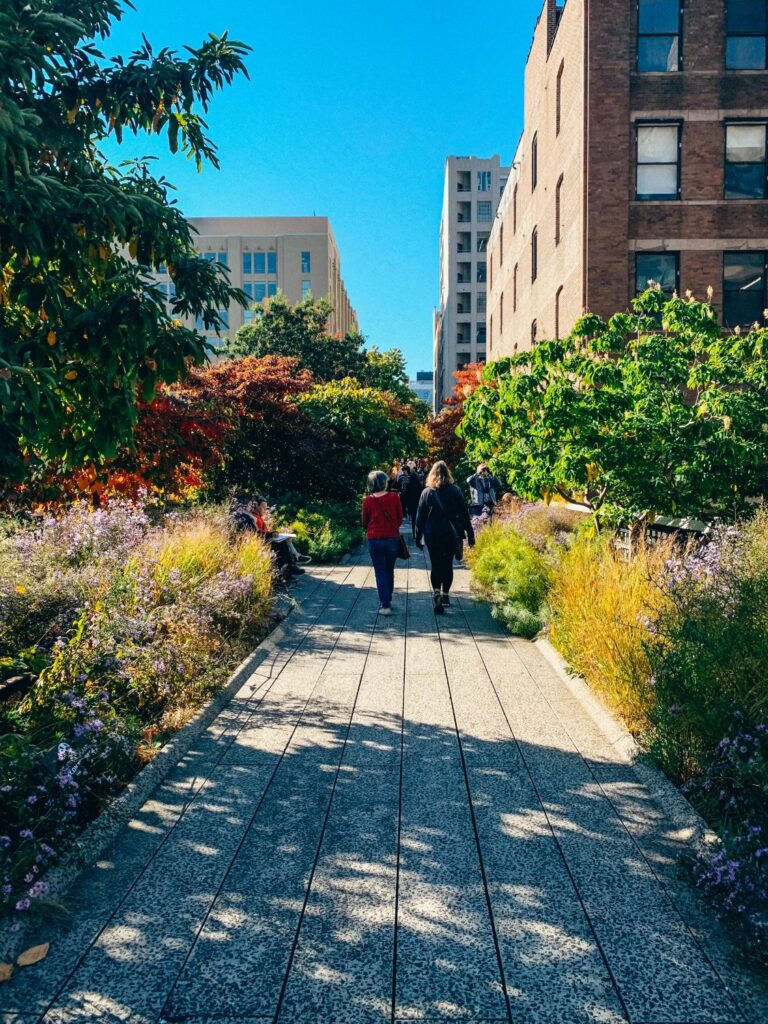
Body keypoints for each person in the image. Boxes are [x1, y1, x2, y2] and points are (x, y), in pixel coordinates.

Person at [415, 461, 474, 614]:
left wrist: (417, 537)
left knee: (435, 564)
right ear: (448, 473)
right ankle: (446, 596)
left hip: (432, 534)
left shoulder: (427, 493)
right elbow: (464, 514)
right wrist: (470, 533)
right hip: (450, 533)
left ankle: (436, 592)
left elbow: (420, 517)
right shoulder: (455, 491)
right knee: (447, 564)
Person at [230, 495, 308, 577]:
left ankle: (292, 563)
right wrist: (270, 534)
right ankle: (291, 566)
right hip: (257, 543)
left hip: (262, 539)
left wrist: (271, 533)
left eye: (266, 508)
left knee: (284, 541)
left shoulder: (256, 517)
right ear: (255, 506)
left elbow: (260, 532)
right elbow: (256, 534)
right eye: (263, 507)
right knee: (282, 544)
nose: (265, 510)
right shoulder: (251, 517)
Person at [362, 470, 403, 616]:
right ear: (385, 483)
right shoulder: (394, 497)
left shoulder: (368, 500)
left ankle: (385, 605)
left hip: (374, 539)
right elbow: (400, 518)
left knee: (379, 571)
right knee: (389, 570)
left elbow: (364, 521)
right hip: (392, 538)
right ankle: (388, 599)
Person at [401, 463, 424, 536]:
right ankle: (417, 532)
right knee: (417, 517)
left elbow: (405, 492)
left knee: (413, 518)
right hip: (418, 501)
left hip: (411, 502)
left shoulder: (407, 480)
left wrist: (405, 503)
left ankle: (414, 532)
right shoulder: (418, 482)